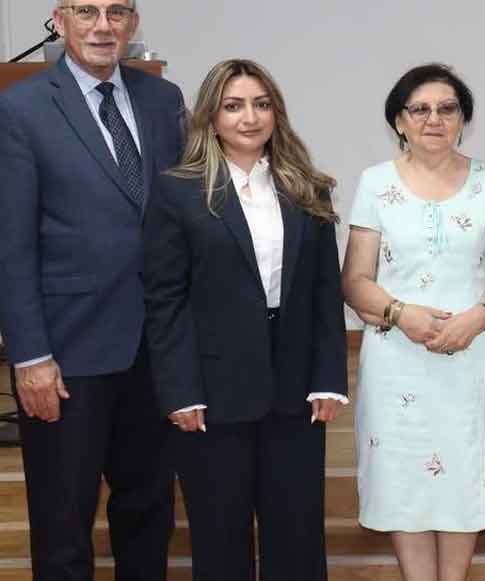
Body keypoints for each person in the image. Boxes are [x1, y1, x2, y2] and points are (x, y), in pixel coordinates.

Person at [0, 0, 182, 580]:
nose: (102, 25)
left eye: (115, 12)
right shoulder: (20, 111)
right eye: (86, 11)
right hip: (67, 355)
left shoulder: (164, 100)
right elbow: (9, 248)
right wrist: (30, 357)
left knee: (148, 510)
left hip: (155, 348)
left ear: (133, 23)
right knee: (63, 522)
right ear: (59, 20)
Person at [142, 58, 348, 580]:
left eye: (261, 104)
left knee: (297, 536)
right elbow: (165, 300)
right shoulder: (177, 190)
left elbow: (325, 293)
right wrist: (179, 390)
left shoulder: (307, 188)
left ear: (277, 113)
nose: (249, 118)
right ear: (211, 118)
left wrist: (328, 378)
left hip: (295, 386)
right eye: (233, 106)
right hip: (212, 390)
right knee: (220, 536)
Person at [341, 63, 485, 581]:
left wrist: (477, 318)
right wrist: (402, 315)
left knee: (465, 477)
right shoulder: (375, 183)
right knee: (404, 482)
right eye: (419, 109)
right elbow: (355, 280)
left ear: (463, 119)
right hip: (398, 361)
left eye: (447, 109)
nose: (433, 119)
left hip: (473, 357)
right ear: (399, 120)